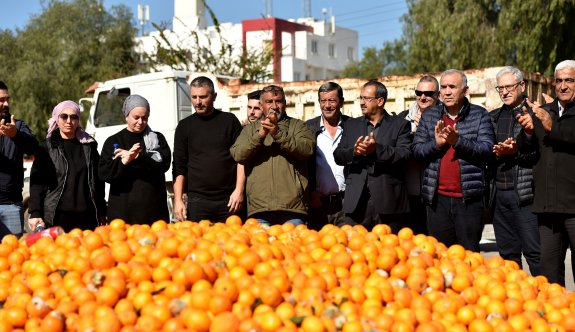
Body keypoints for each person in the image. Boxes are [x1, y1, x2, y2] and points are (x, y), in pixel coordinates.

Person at [412, 69, 494, 251]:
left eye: (452, 87)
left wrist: (458, 141)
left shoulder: (479, 115)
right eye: (444, 87)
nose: (447, 92)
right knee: (439, 255)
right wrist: (437, 143)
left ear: (465, 90)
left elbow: (488, 149)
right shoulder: (430, 115)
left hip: (468, 199)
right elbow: (416, 151)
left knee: (468, 255)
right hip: (436, 199)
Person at [516, 60, 575, 285]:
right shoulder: (544, 112)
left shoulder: (549, 117)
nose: (563, 86)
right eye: (558, 81)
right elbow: (526, 150)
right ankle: (555, 319)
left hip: (573, 205)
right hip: (548, 206)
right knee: (548, 273)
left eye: (569, 80)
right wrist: (529, 132)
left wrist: (552, 126)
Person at [333, 80, 411, 233]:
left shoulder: (400, 124)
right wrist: (354, 152)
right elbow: (338, 154)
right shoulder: (351, 124)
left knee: (388, 252)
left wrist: (377, 149)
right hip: (356, 203)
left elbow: (405, 154)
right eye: (360, 98)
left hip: (388, 203)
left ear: (380, 101)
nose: (362, 102)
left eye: (366, 99)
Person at [230, 85, 315, 226]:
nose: (274, 106)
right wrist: (260, 135)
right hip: (259, 209)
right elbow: (239, 155)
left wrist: (278, 134)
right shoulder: (250, 129)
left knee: (293, 248)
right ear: (261, 105)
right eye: (269, 102)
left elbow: (307, 150)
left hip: (292, 209)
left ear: (285, 103)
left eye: (279, 101)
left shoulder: (298, 126)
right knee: (262, 248)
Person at [489, 66, 539, 275]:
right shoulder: (492, 117)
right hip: (499, 195)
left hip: (526, 195)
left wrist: (515, 151)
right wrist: (496, 152)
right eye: (500, 88)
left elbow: (538, 154)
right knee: (508, 256)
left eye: (509, 87)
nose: (504, 92)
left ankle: (547, 298)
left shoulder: (536, 114)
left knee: (535, 253)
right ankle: (517, 302)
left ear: (522, 86)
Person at [172, 76, 244, 222]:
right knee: (201, 244)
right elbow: (179, 166)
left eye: (203, 97)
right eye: (194, 97)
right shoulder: (184, 126)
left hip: (230, 200)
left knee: (235, 243)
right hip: (198, 202)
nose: (198, 102)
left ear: (214, 96)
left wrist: (239, 191)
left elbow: (241, 158)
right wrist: (178, 200)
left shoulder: (229, 121)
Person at [28, 101, 105, 233]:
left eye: (73, 117)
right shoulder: (47, 147)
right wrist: (35, 212)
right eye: (64, 116)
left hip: (87, 217)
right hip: (57, 217)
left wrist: (102, 210)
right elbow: (37, 183)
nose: (69, 121)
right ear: (56, 119)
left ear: (78, 119)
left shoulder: (89, 146)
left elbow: (98, 181)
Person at [98, 95, 171, 225]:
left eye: (144, 118)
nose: (140, 122)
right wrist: (123, 161)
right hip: (123, 214)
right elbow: (104, 174)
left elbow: (163, 165)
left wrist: (139, 157)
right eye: (136, 117)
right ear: (126, 116)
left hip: (153, 213)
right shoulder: (114, 141)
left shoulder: (157, 140)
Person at [397, 75, 440, 235]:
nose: (422, 97)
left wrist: (426, 128)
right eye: (419, 92)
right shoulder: (402, 119)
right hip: (409, 195)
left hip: (436, 194)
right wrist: (413, 131)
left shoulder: (445, 117)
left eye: (428, 93)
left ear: (438, 95)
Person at [305, 82, 350, 230]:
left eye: (332, 100)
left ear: (341, 102)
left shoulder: (352, 126)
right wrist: (311, 190)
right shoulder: (308, 128)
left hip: (346, 204)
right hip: (318, 204)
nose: (327, 105)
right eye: (323, 101)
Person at [0, 81, 39, 237]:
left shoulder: (18, 126)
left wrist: (15, 135)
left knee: (13, 257)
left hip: (11, 205)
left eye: (7, 99)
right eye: (1, 100)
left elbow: (33, 148)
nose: (6, 103)